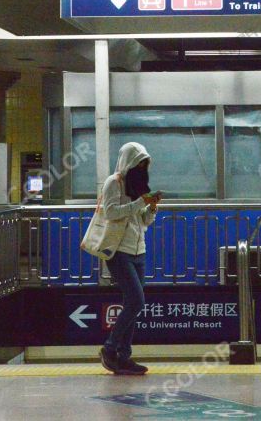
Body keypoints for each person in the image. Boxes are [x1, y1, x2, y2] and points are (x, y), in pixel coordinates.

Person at [99, 142, 161, 375]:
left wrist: (151, 209)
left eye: (145, 165)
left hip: (138, 251)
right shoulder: (113, 183)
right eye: (139, 164)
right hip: (118, 251)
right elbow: (111, 212)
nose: (143, 169)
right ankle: (110, 348)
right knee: (136, 301)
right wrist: (139, 203)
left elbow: (142, 221)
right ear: (130, 163)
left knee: (131, 304)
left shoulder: (137, 185)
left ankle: (123, 357)